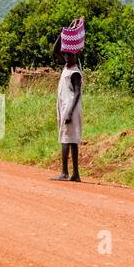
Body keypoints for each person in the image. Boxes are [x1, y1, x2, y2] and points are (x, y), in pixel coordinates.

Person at [53, 17, 84, 182]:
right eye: (65, 54)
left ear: (75, 56)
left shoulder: (75, 72)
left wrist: (70, 113)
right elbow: (55, 51)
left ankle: (66, 173)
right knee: (71, 140)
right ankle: (75, 174)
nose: (65, 56)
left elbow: (78, 93)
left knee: (67, 139)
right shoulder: (67, 66)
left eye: (69, 55)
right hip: (66, 107)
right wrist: (64, 35)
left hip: (71, 107)